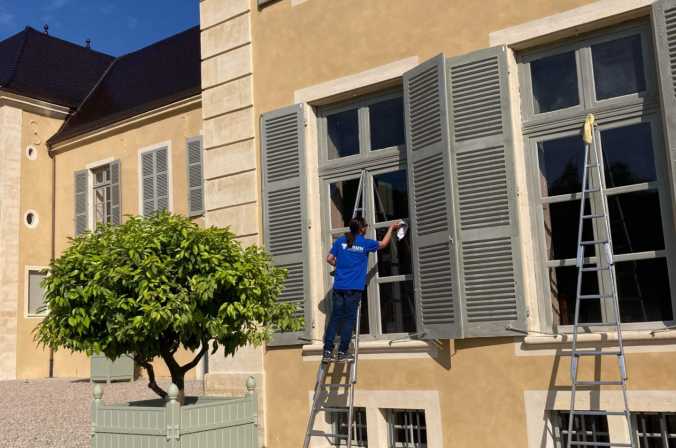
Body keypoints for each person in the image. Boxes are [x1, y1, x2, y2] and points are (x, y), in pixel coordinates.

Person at [322, 216, 400, 363]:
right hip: (353, 289)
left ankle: (327, 351)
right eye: (366, 226)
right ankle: (342, 352)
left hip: (339, 287)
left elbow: (329, 258)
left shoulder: (341, 241)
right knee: (348, 320)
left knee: (335, 318)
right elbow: (383, 244)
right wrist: (391, 228)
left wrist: (340, 266)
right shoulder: (365, 243)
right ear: (362, 229)